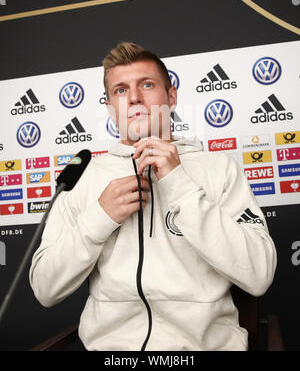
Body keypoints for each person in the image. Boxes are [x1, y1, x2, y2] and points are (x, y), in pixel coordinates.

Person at [29, 42, 277, 351]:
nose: (134, 97)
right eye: (120, 90)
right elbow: (44, 288)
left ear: (171, 97)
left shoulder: (219, 170)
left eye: (146, 85)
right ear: (109, 107)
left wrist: (181, 186)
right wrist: (99, 218)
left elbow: (259, 274)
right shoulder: (85, 179)